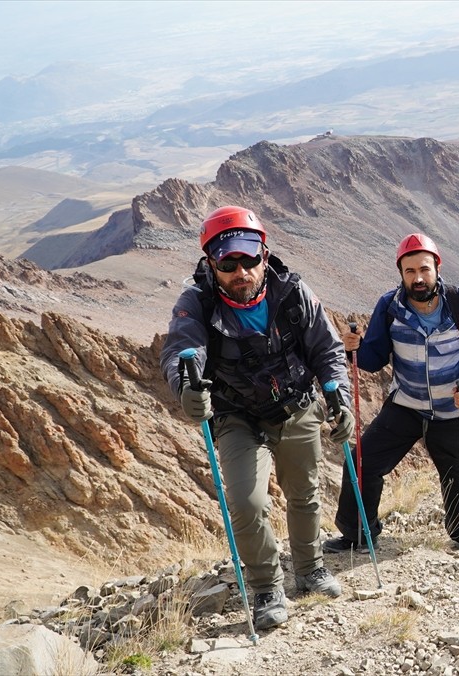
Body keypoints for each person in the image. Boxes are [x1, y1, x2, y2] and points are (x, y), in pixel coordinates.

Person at [160, 205, 351, 630]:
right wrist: (186, 389)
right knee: (247, 503)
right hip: (236, 416)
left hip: (295, 405)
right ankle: (267, 586)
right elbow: (179, 353)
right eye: (229, 263)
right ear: (212, 264)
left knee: (304, 491)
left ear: (264, 255)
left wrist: (341, 398)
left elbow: (328, 350)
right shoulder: (196, 303)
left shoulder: (294, 293)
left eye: (250, 259)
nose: (241, 271)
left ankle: (310, 568)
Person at [324, 233, 459, 555]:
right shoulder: (389, 306)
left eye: (424, 270)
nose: (418, 278)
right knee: (363, 462)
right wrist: (356, 349)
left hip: (454, 408)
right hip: (406, 405)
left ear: (437, 268)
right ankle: (356, 535)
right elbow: (374, 358)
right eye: (409, 271)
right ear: (400, 273)